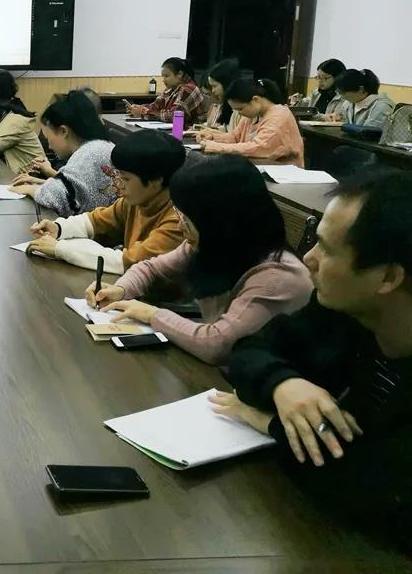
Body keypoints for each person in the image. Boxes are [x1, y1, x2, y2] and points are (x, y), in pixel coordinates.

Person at [214, 170, 412, 549]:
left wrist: (267, 421)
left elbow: (373, 492)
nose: (308, 258)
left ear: (387, 277)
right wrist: (283, 384)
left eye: (326, 249)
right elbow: (249, 350)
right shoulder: (346, 310)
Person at [86, 157, 313, 366]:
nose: (180, 224)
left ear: (220, 221)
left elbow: (217, 344)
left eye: (187, 218)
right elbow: (151, 268)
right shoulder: (212, 243)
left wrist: (153, 315)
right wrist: (120, 289)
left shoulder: (276, 277)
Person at [26, 130, 186, 274]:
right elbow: (96, 221)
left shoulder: (179, 221)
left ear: (155, 181)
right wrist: (59, 228)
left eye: (126, 179)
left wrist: (60, 249)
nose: (119, 185)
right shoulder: (137, 200)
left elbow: (130, 262)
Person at [8, 92, 117, 217]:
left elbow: (59, 199)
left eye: (48, 138)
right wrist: (38, 182)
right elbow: (79, 190)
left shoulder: (90, 154)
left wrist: (30, 189)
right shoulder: (99, 146)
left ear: (63, 131)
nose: (49, 146)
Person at [198, 78, 305, 167]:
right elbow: (235, 137)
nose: (239, 113)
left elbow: (258, 148)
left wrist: (216, 147)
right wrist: (212, 137)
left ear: (256, 100)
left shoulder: (279, 116)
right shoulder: (251, 114)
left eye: (240, 109)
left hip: (282, 175)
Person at [127, 57, 206, 125]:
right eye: (163, 76)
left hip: (188, 134)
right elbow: (155, 106)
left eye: (166, 76)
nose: (163, 80)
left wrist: (142, 112)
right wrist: (139, 108)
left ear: (180, 74)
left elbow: (173, 116)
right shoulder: (172, 88)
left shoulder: (188, 89)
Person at [329, 69, 394, 130]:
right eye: (338, 92)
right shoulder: (348, 103)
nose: (341, 96)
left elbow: (369, 133)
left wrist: (343, 125)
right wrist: (338, 119)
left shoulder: (382, 107)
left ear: (360, 89)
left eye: (343, 93)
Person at [193, 59, 243, 134]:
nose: (213, 91)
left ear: (226, 84)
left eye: (214, 86)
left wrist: (210, 132)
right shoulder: (228, 106)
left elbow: (234, 136)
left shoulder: (240, 108)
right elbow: (227, 129)